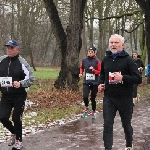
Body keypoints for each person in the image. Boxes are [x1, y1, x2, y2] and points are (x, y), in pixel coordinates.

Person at [98, 34, 142, 150]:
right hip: (109, 97)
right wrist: (101, 84)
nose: (113, 45)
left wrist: (123, 78)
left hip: (125, 98)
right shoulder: (106, 59)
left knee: (126, 125)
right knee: (107, 125)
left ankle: (128, 146)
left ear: (122, 45)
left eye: (116, 43)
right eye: (111, 42)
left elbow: (138, 78)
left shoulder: (128, 60)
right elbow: (102, 74)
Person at [0, 40, 34, 149]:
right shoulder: (2, 60)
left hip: (19, 95)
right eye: (8, 48)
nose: (9, 50)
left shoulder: (22, 62)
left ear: (17, 49)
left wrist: (21, 83)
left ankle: (19, 141)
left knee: (16, 118)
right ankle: (14, 132)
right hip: (6, 95)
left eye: (12, 48)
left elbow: (31, 78)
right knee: (2, 117)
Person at [79, 46, 101, 119]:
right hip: (86, 81)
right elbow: (81, 67)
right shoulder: (84, 60)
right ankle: (87, 107)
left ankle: (93, 111)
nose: (90, 53)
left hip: (95, 82)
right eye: (89, 52)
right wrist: (81, 73)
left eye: (91, 52)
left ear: (94, 53)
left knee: (92, 98)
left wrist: (94, 70)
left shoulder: (97, 61)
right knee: (85, 96)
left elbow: (99, 71)